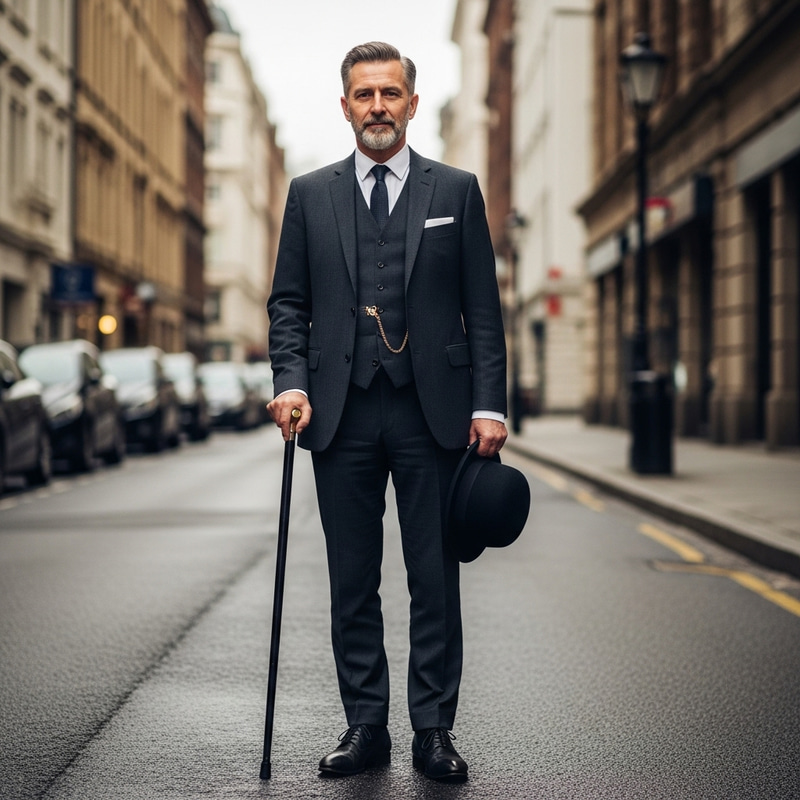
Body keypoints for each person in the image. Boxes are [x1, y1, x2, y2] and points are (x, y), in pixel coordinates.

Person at [266, 41, 507, 783]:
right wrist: (291, 379)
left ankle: (433, 731)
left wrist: (490, 404)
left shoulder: (457, 189)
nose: (377, 106)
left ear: (411, 101)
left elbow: (483, 310)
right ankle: (365, 724)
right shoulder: (310, 193)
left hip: (431, 412)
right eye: (363, 94)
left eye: (390, 93)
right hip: (339, 413)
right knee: (352, 578)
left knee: (434, 578)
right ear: (346, 106)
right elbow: (289, 304)